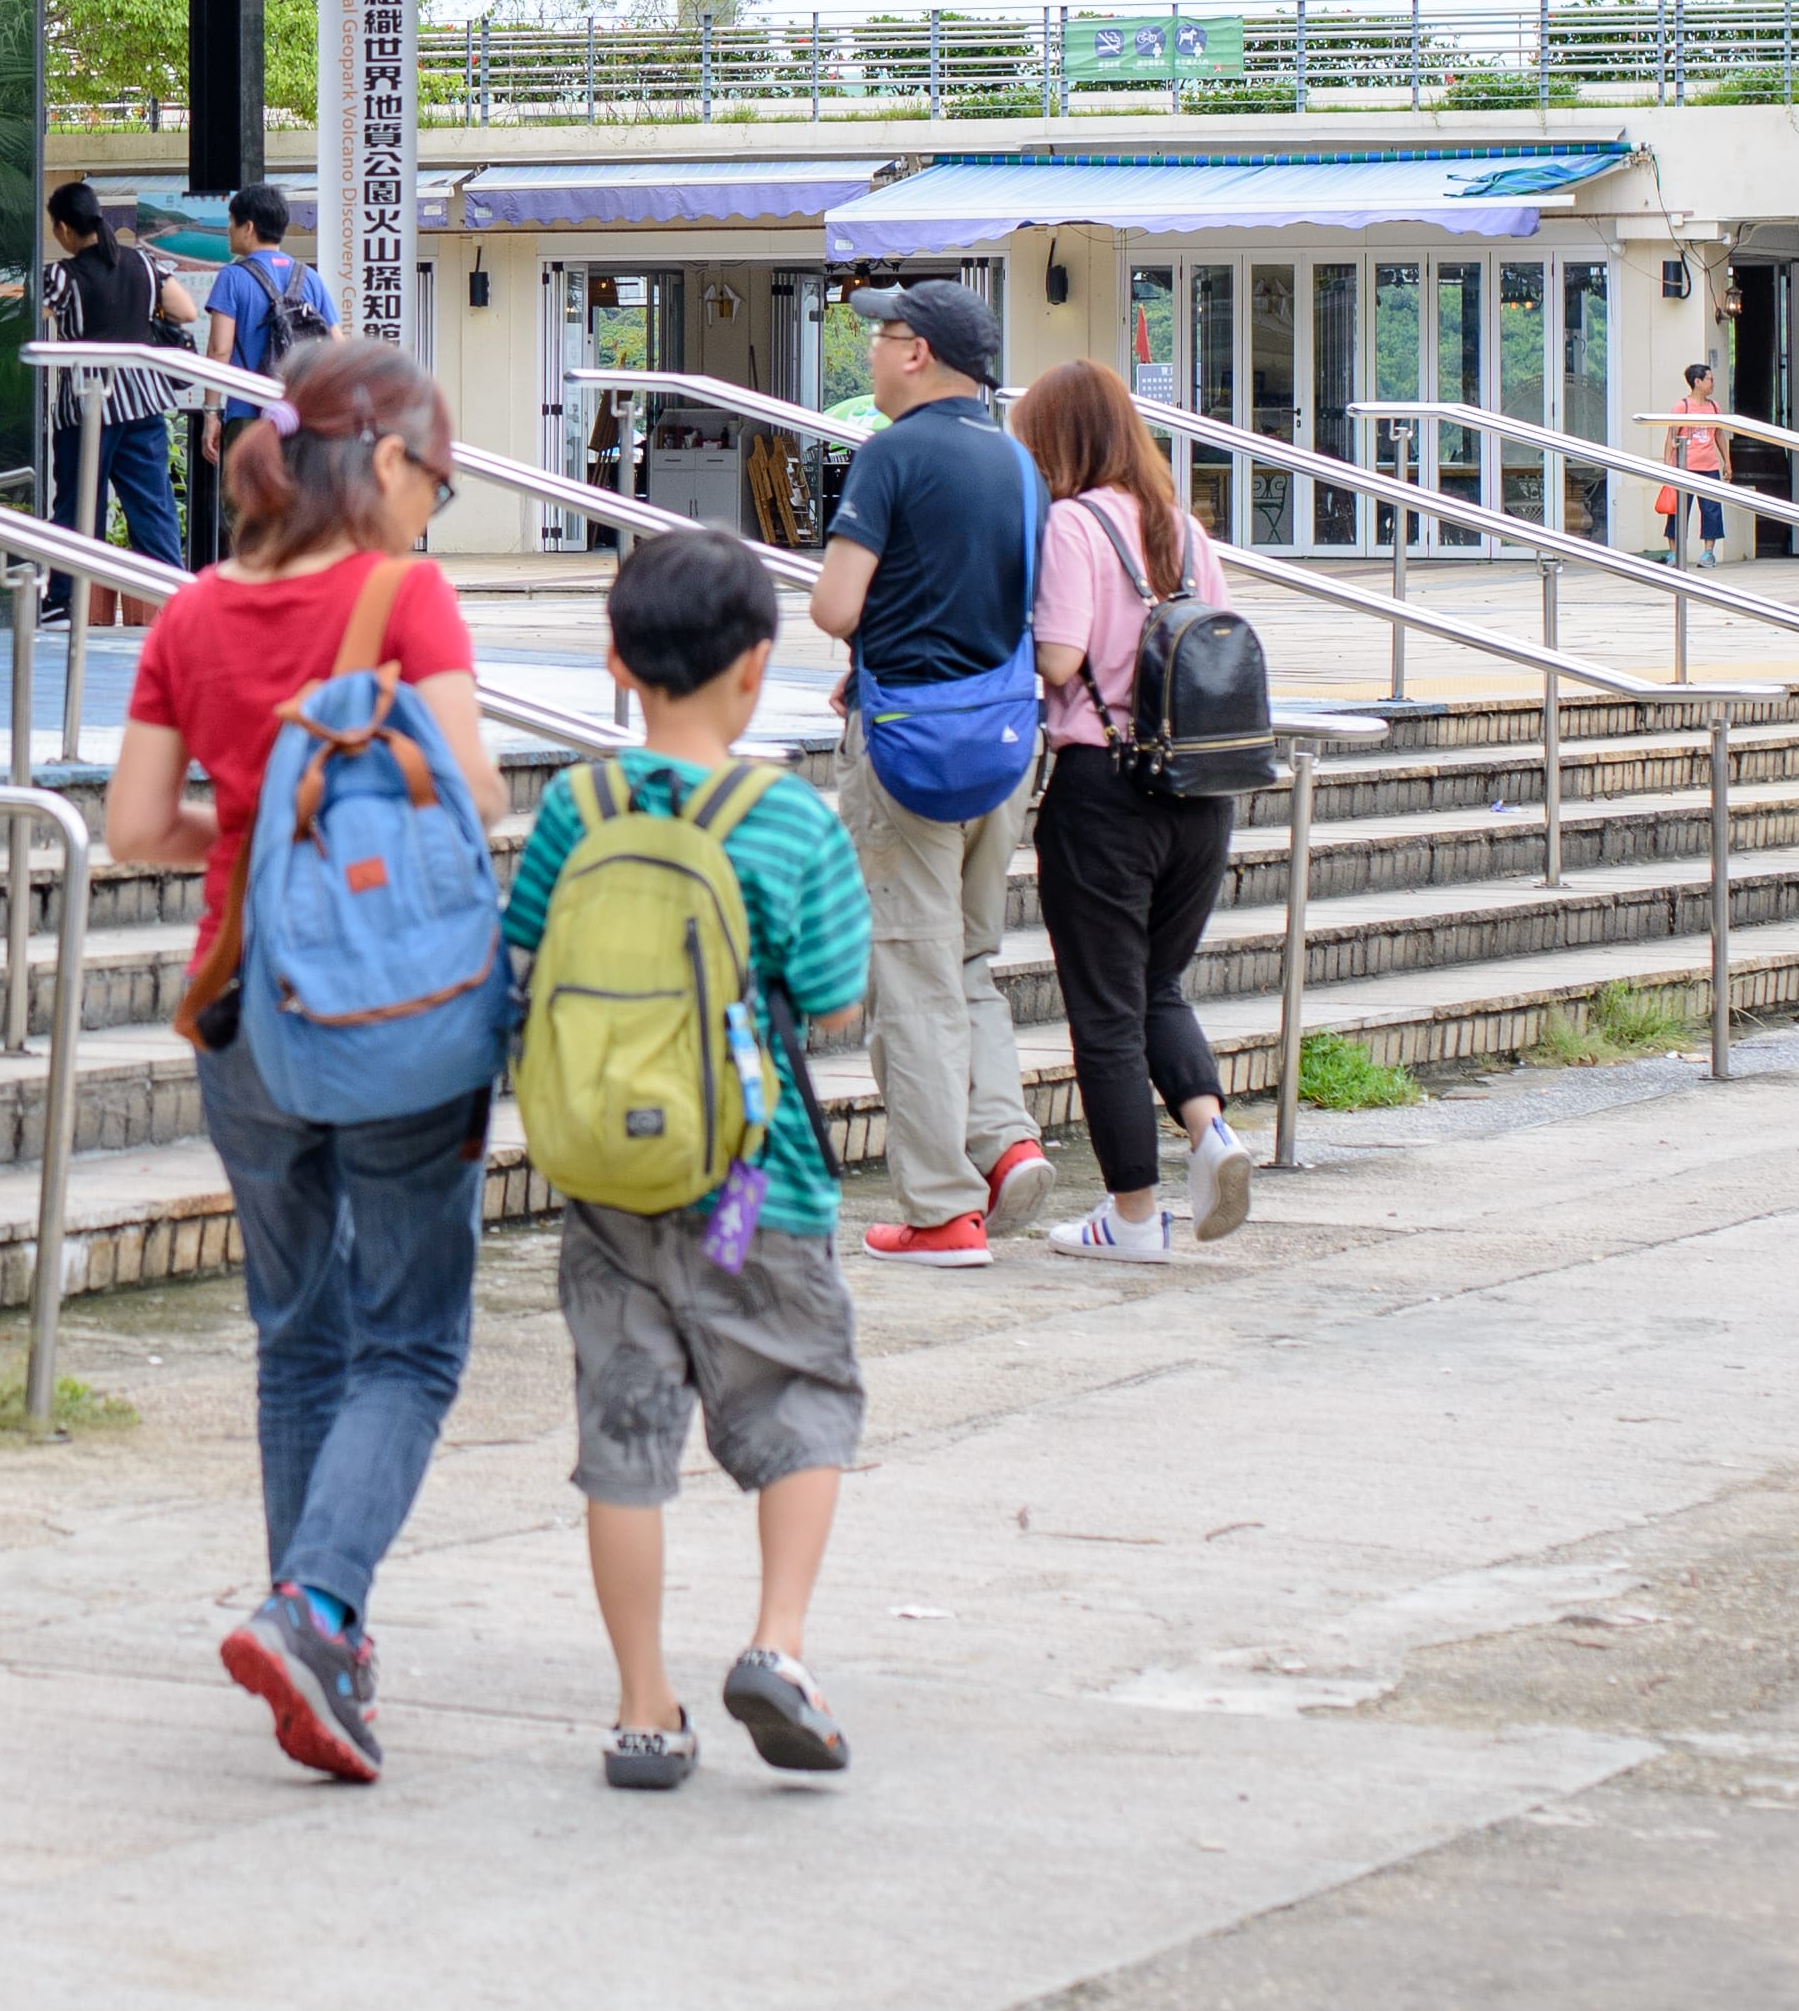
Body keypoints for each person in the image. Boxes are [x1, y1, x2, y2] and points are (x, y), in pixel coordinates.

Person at [105, 333, 505, 1785]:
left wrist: (264, 825)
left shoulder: (192, 615)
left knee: (297, 1337)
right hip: (396, 1014)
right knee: (410, 1340)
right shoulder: (405, 597)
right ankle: (317, 1607)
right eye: (437, 483)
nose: (432, 511)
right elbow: (463, 790)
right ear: (385, 458)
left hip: (244, 1013)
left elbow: (137, 829)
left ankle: (316, 1637)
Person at [501, 526, 871, 1788]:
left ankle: (643, 1707)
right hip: (750, 1185)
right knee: (799, 1392)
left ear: (616, 657)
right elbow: (831, 992)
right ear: (757, 666)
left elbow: (522, 965)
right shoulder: (789, 821)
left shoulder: (575, 804)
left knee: (625, 1435)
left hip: (606, 1184)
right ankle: (777, 1641)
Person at [802, 281, 1060, 1265]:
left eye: (881, 337)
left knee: (908, 972)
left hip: (906, 743)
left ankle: (939, 1208)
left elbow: (835, 603)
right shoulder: (1017, 463)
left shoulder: (891, 453)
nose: (869, 352)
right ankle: (1003, 1140)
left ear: (918, 353)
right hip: (1000, 742)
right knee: (964, 958)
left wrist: (867, 648)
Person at [1011, 363, 1251, 1264]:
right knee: (1156, 986)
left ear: (1061, 440)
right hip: (1198, 792)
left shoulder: (1074, 524)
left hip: (1104, 790)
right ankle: (1210, 1130)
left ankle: (1135, 1217)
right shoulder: (1182, 530)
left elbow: (1062, 657)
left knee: (1105, 1008)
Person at [38, 180, 188, 614]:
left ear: (64, 228)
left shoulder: (62, 276)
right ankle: (173, 598)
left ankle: (64, 599)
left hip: (86, 405)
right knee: (152, 502)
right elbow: (185, 311)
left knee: (77, 503)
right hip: (143, 399)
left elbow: (32, 318)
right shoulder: (143, 263)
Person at [207, 183, 336, 384]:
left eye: (232, 222)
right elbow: (336, 342)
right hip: (298, 407)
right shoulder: (310, 277)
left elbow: (220, 349)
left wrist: (211, 408)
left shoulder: (231, 277)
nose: (229, 230)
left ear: (248, 228)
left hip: (248, 404)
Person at [1654, 359, 1732, 566]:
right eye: (1709, 380)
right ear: (1697, 382)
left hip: (1709, 466)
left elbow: (1719, 436)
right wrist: (1668, 464)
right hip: (1684, 466)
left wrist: (1727, 461)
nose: (1712, 383)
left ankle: (1708, 552)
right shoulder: (1682, 407)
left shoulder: (1714, 407)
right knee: (1678, 509)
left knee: (1711, 509)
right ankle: (1674, 552)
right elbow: (1671, 436)